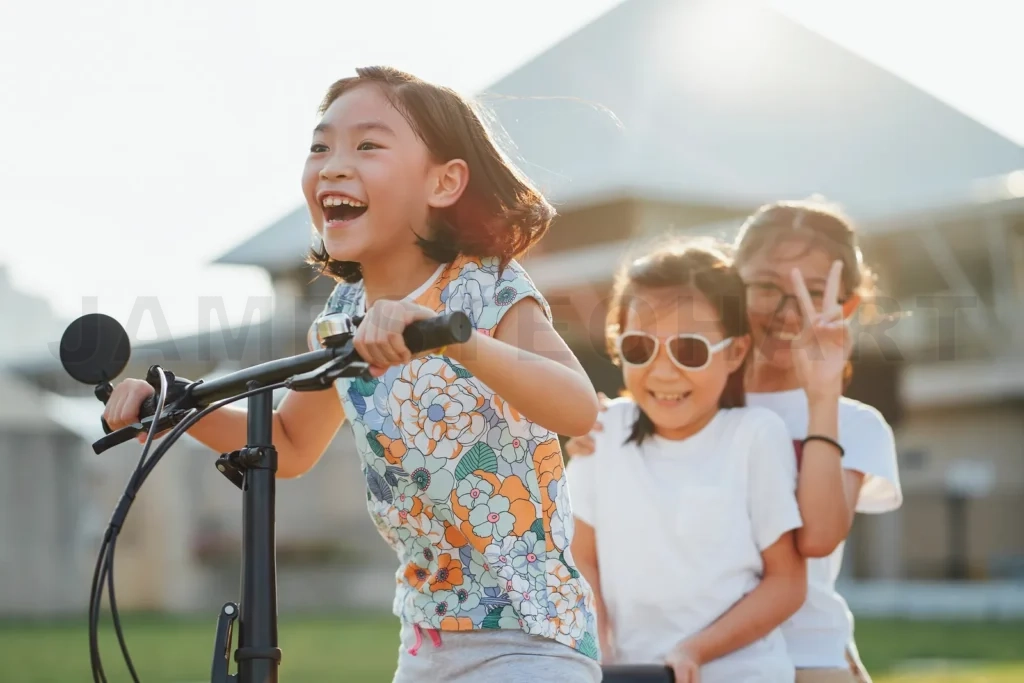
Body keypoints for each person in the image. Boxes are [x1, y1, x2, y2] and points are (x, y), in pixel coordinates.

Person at [104, 66, 603, 683]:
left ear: (445, 182)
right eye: (321, 147)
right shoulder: (341, 319)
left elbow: (577, 408)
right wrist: (175, 410)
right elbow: (286, 445)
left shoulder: (486, 286)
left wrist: (454, 338)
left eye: (367, 145)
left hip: (531, 636)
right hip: (425, 639)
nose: (334, 165)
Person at [566, 198, 903, 683]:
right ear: (733, 284)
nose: (791, 309)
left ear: (847, 305)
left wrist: (822, 397)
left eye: (813, 292)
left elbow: (817, 538)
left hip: (807, 655)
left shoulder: (854, 423)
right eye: (767, 286)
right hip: (670, 661)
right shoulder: (688, 392)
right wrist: (596, 428)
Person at [566, 238, 808, 683]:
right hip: (628, 676)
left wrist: (693, 651)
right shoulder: (600, 431)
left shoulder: (755, 437)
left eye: (690, 350)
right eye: (640, 347)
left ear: (735, 352)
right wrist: (596, 656)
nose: (662, 371)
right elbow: (581, 563)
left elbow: (787, 584)